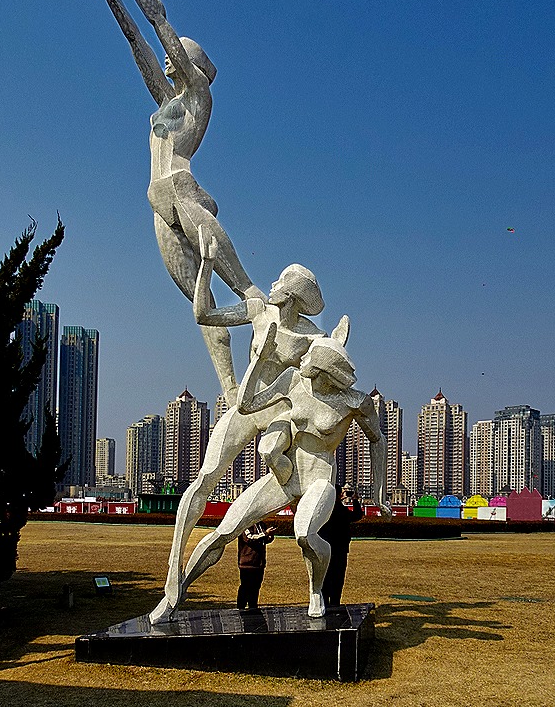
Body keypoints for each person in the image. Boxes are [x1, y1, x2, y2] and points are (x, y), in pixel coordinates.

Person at [76, 0, 265, 400]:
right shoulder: (166, 104)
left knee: (243, 291)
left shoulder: (198, 95)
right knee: (201, 307)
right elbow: (133, 38)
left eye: (179, 54)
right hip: (159, 206)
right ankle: (230, 391)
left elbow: (156, 21)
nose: (167, 58)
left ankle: (262, 310)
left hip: (183, 193)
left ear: (192, 64)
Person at [149, 233, 347, 624]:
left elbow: (325, 380)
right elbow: (205, 315)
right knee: (204, 479)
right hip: (245, 407)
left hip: (279, 414)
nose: (270, 284)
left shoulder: (314, 339)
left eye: (280, 281)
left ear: (291, 295)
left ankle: (313, 582)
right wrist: (206, 266)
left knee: (267, 459)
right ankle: (172, 580)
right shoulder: (258, 311)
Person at [173, 322, 389, 619]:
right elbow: (247, 405)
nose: (303, 362)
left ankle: (316, 591)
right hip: (286, 477)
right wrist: (259, 360)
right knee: (225, 530)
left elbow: (378, 440)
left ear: (325, 373)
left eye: (310, 361)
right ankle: (177, 593)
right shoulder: (293, 381)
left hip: (319, 480)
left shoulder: (354, 401)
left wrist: (379, 493)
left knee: (305, 534)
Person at [318, 485, 364, 608]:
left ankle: (323, 603)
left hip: (324, 548)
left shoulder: (323, 509)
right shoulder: (341, 510)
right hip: (340, 549)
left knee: (324, 577)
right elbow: (357, 515)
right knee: (337, 578)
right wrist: (355, 500)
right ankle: (335, 603)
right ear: (339, 495)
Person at [237, 523, 275, 610]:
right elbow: (249, 538)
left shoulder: (261, 524)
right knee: (245, 587)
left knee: (256, 587)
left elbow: (263, 540)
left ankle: (253, 608)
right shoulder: (246, 524)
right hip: (247, 563)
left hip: (259, 563)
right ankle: (240, 609)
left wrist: (270, 535)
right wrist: (265, 533)